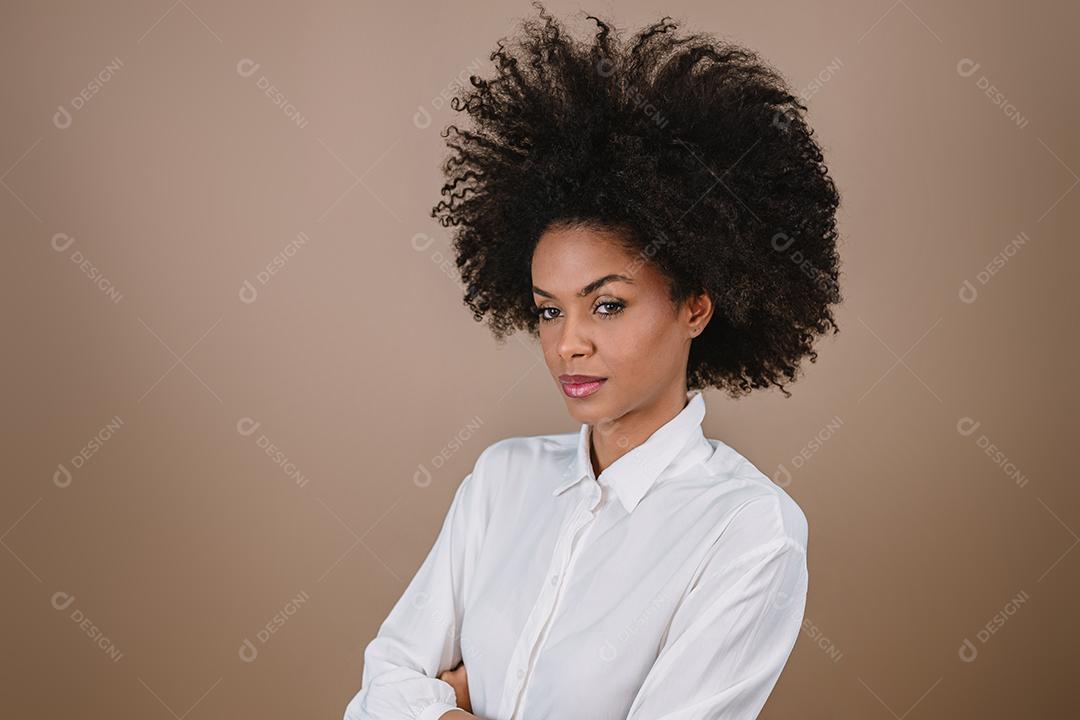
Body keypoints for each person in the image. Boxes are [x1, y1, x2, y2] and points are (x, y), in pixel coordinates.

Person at [344, 3, 841, 718]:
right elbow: (376, 694)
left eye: (607, 305)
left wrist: (446, 701)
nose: (567, 343)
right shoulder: (501, 482)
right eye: (550, 309)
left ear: (696, 307)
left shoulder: (748, 529)